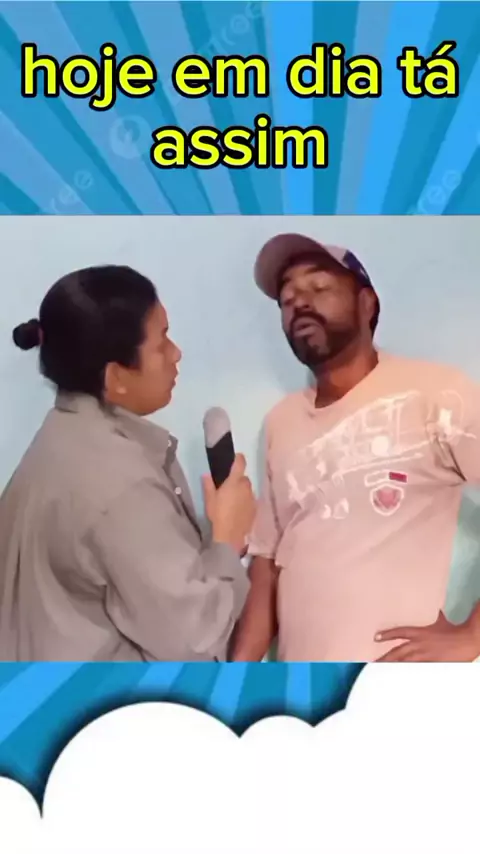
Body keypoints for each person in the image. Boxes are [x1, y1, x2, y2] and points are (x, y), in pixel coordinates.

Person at [231, 232, 480, 663]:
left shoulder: (437, 393)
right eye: (287, 299)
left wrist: (473, 637)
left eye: (319, 287)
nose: (300, 303)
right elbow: (267, 565)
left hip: (393, 688)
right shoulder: (281, 423)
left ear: (367, 304)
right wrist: (236, 677)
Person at [0, 264, 254, 662]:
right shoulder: (119, 484)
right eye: (162, 341)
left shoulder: (54, 445)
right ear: (115, 377)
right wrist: (227, 540)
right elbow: (193, 640)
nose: (176, 354)